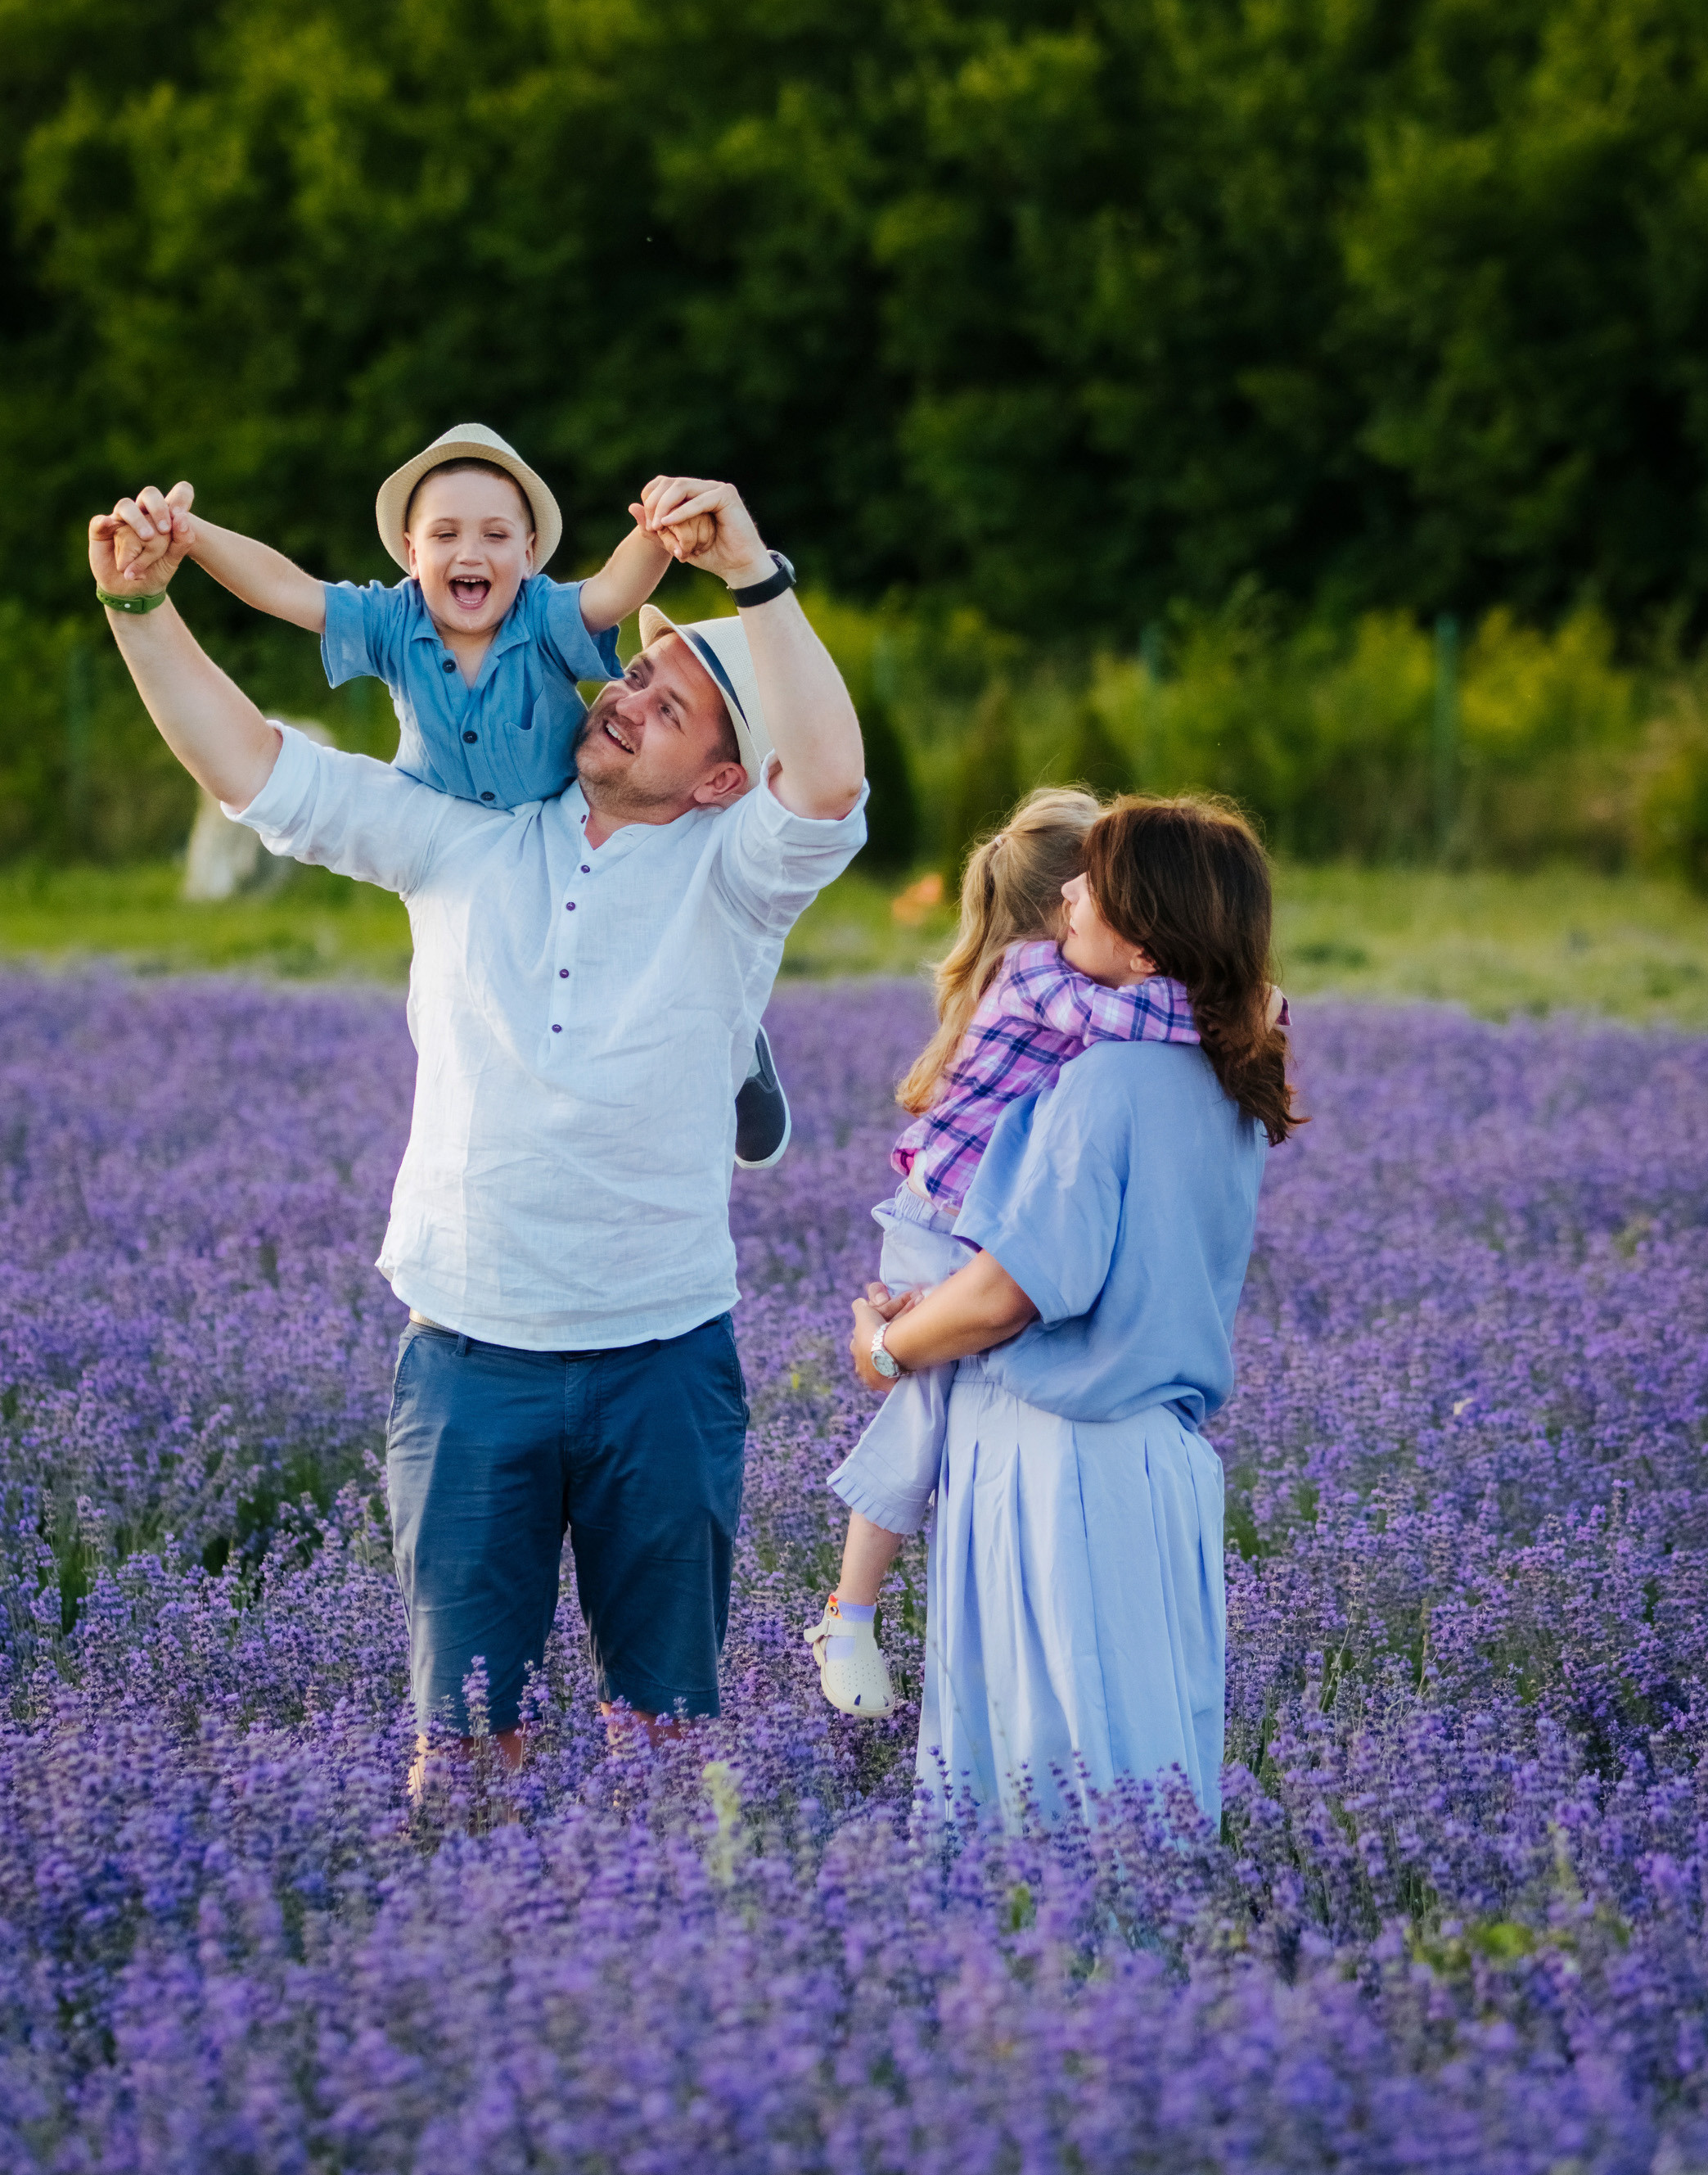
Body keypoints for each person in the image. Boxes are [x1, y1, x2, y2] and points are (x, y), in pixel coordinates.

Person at [91, 472, 867, 1776]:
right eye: (631, 676)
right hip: (467, 1355)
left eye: (665, 707)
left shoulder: (740, 876)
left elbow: (830, 771)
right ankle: (476, 1942)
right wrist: (139, 611)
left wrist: (752, 574)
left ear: (727, 775)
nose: (619, 694)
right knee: (463, 1744)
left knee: (666, 1734)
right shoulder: (470, 840)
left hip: (662, 1357)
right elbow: (258, 772)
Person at [114, 427, 792, 1165]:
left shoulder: (542, 617)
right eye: (446, 535)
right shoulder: (390, 621)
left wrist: (662, 531)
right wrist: (192, 537)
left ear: (529, 556)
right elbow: (286, 589)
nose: (470, 554)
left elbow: (614, 590)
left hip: (561, 796)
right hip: (459, 810)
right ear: (411, 554)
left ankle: (734, 1042)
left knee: (650, 922)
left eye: (496, 535)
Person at [845, 796, 1300, 1823]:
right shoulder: (1227, 1077)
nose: (1070, 895)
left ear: (1145, 942)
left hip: (1057, 1464)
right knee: (1148, 1779)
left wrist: (885, 1345)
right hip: (1159, 1463)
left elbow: (1011, 1291)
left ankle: (1034, 1980)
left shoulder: (1102, 1084)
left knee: (1038, 1782)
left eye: (1094, 880)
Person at [806, 787, 1201, 1717]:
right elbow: (1138, 1023)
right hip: (941, 1218)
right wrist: (1237, 1004)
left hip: (976, 1215)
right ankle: (848, 1610)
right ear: (1069, 905)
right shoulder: (1035, 974)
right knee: (925, 1404)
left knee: (969, 1395)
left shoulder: (1052, 975)